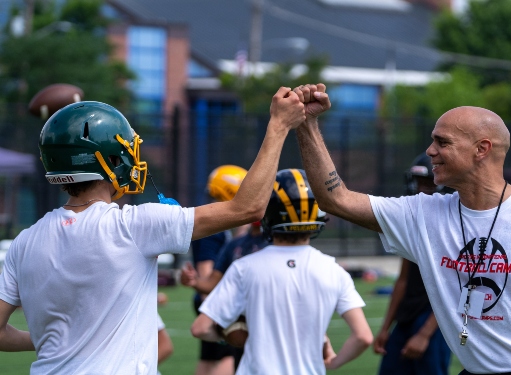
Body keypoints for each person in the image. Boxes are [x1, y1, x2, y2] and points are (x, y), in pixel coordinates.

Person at [293, 83, 511, 375]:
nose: (429, 151)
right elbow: (336, 200)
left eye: (442, 142)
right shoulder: (423, 214)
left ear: (482, 149)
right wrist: (307, 125)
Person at [0, 87, 306, 374]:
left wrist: (50, 340)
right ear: (110, 160)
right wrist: (278, 126)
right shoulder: (134, 226)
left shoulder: (24, 242)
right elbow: (248, 208)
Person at [191, 168, 373, 374]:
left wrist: (236, 332)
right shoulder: (334, 270)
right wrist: (333, 363)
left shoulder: (244, 267)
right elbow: (363, 336)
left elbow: (201, 328)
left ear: (267, 214)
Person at [373, 153, 451, 375]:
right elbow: (403, 279)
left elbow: (454, 291)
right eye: (418, 182)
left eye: (427, 183)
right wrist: (386, 327)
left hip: (433, 318)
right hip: (407, 316)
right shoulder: (415, 223)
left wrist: (425, 333)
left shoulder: (451, 227)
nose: (420, 189)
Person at [186, 164, 248, 375]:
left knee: (209, 358)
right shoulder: (212, 230)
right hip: (215, 302)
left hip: (214, 300)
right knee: (227, 358)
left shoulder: (218, 226)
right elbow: (206, 272)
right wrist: (213, 308)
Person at [181, 220, 268, 370]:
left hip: (267, 324)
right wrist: (194, 281)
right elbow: (213, 282)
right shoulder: (236, 245)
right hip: (241, 323)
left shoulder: (275, 245)